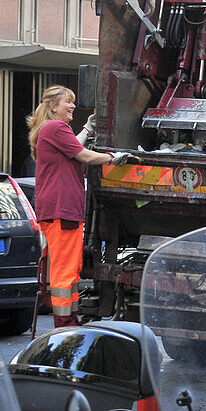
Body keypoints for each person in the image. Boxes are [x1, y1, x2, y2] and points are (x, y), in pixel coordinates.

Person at [27, 86, 130, 328]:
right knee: (65, 270)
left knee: (70, 268)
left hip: (60, 210)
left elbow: (73, 148)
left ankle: (69, 321)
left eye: (73, 102)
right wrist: (113, 157)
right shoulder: (55, 127)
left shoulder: (52, 130)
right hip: (62, 209)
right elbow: (84, 155)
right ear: (53, 106)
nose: (73, 106)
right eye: (68, 102)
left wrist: (87, 128)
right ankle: (64, 324)